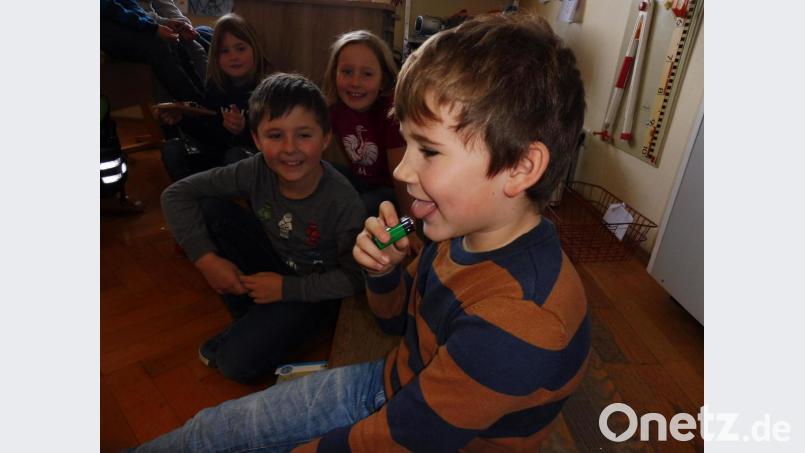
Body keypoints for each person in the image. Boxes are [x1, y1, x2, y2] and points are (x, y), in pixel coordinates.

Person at [128, 13, 589, 452]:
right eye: (407, 143)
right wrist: (383, 272)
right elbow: (394, 323)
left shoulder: (521, 322)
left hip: (414, 431)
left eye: (428, 150)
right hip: (393, 383)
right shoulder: (459, 234)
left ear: (522, 167)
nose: (404, 170)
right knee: (208, 432)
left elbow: (402, 440)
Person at [159, 72, 366, 384]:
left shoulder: (343, 201)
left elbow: (354, 279)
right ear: (256, 139)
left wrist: (286, 289)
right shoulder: (255, 168)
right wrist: (206, 261)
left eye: (304, 135)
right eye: (275, 135)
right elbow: (176, 194)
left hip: (316, 293)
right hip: (275, 265)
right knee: (211, 208)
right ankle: (255, 319)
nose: (289, 148)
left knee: (234, 365)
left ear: (325, 138)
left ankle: (258, 324)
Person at [159, 13, 272, 181]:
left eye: (240, 49)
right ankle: (189, 193)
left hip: (248, 156)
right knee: (172, 149)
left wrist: (243, 129)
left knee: (235, 156)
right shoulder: (216, 86)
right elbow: (207, 133)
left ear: (254, 49)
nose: (233, 56)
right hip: (214, 157)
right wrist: (181, 118)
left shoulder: (267, 90)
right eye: (225, 51)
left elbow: (273, 139)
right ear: (216, 57)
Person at [322, 30, 414, 219]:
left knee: (356, 209)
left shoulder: (391, 113)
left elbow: (401, 178)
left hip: (393, 190)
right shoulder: (334, 107)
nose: (355, 82)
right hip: (360, 181)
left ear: (383, 80)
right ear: (334, 74)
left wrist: (408, 224)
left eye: (367, 74)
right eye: (347, 72)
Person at [101, 0, 204, 102]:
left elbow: (130, 5)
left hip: (119, 20)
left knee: (175, 42)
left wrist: (158, 24)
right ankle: (193, 105)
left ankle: (202, 102)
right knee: (158, 45)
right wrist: (152, 27)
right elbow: (110, 9)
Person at [138, 0, 209, 85]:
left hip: (163, 25)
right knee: (195, 48)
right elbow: (139, 13)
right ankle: (210, 93)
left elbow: (168, 7)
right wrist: (168, 23)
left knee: (207, 33)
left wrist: (184, 25)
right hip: (143, 29)